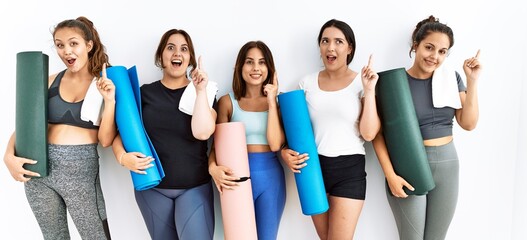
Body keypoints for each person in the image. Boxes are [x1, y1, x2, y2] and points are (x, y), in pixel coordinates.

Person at [3, 16, 116, 239]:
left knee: (96, 236)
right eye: (59, 45)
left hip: (79, 171)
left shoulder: (103, 84)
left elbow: (105, 140)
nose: (66, 51)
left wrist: (110, 101)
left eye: (73, 43)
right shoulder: (49, 80)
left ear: (89, 45)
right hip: (38, 170)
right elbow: (27, 123)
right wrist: (8, 155)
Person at [372, 15, 481, 240]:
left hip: (448, 165)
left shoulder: (452, 78)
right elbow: (378, 134)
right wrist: (390, 175)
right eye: (429, 48)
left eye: (442, 52)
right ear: (415, 45)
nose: (435, 56)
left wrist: (472, 81)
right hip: (408, 166)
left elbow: (468, 123)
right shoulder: (393, 83)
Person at [111, 28, 217, 240]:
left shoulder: (204, 92)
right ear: (161, 56)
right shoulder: (144, 94)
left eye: (184, 49)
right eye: (171, 48)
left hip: (194, 187)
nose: (177, 53)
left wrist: (200, 91)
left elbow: (204, 132)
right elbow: (119, 135)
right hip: (152, 189)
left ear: (190, 59)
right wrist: (123, 158)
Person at [280, 19, 380, 240]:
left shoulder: (361, 83)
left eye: (338, 41)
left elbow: (369, 133)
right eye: (325, 41)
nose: (331, 47)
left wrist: (370, 91)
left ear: (349, 48)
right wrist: (284, 151)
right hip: (313, 167)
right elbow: (291, 127)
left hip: (350, 169)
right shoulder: (306, 84)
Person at [208, 40, 286, 240]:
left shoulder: (278, 102)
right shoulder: (227, 102)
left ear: (269, 68)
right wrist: (212, 168)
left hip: (270, 178)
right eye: (249, 62)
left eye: (261, 62)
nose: (256, 68)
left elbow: (276, 144)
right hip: (235, 178)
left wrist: (271, 100)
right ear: (240, 66)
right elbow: (216, 147)